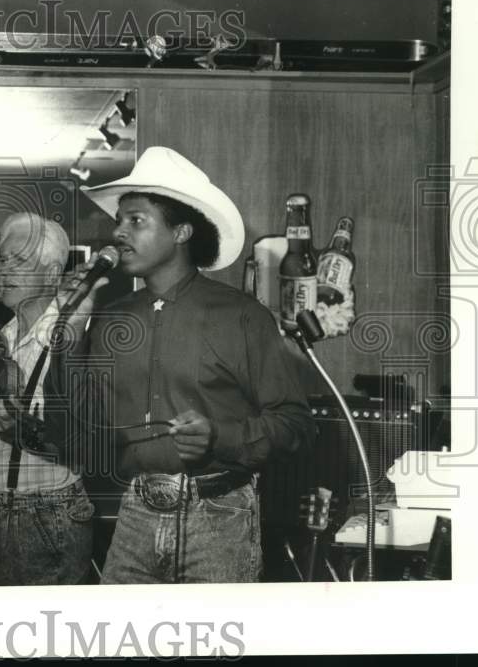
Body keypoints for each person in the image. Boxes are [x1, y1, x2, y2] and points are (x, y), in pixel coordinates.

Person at [45, 147, 316, 584]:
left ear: (182, 231)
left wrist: (219, 438)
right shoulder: (111, 317)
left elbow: (296, 427)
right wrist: (71, 335)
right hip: (134, 515)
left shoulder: (242, 316)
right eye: (119, 221)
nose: (119, 232)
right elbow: (77, 432)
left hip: (220, 518)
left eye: (136, 220)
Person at [0, 212, 95, 586]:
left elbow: (78, 441)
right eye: (2, 260)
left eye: (20, 261)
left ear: (53, 273)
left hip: (45, 513)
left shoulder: (71, 335)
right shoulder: (5, 335)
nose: (5, 270)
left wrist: (19, 431)